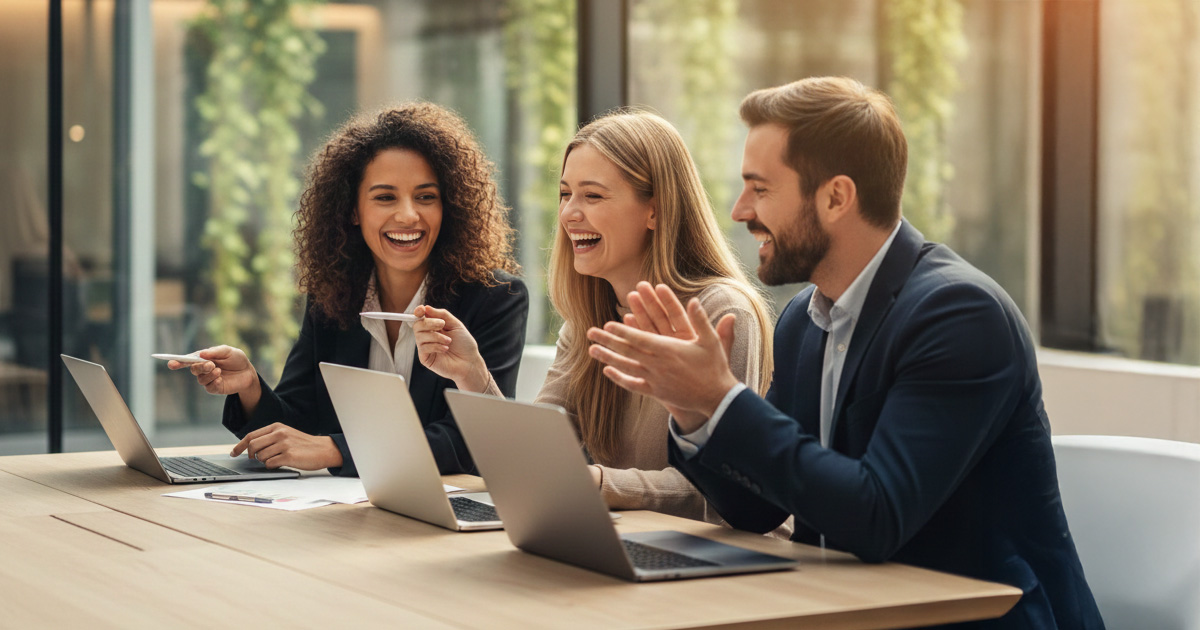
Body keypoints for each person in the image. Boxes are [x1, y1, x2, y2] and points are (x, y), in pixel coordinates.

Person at [586, 78, 1103, 628]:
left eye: (760, 189)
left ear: (836, 197)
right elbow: (755, 510)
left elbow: (877, 517)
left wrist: (722, 400)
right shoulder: (804, 320)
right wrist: (694, 411)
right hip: (843, 607)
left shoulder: (958, 315)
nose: (739, 211)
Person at [413, 111, 775, 522]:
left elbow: (727, 492)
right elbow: (532, 461)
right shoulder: (587, 322)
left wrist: (599, 484)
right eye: (565, 194)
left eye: (593, 196)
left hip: (718, 560)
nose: (568, 214)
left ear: (654, 210)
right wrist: (473, 376)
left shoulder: (721, 313)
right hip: (629, 543)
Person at [173, 103, 528, 477]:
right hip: (349, 511)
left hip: (440, 514)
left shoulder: (495, 299)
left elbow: (468, 441)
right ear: (353, 210)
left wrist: (336, 450)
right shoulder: (334, 295)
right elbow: (299, 425)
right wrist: (248, 386)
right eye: (385, 197)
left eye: (426, 197)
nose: (408, 215)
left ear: (449, 206)